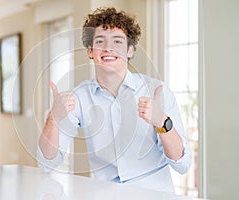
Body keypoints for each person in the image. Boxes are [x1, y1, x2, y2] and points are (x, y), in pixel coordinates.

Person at [37, 7, 192, 194]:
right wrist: (53, 118)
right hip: (106, 193)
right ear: (90, 51)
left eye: (117, 41)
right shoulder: (79, 98)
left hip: (154, 193)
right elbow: (47, 162)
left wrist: (162, 123)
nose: (108, 48)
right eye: (100, 41)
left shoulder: (156, 91)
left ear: (130, 50)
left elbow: (182, 164)